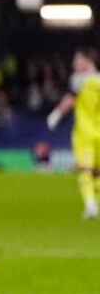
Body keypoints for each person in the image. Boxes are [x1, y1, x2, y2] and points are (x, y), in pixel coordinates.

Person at [45, 48, 100, 220]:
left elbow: (70, 99)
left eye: (77, 60)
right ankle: (93, 204)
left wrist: (56, 114)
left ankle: (91, 206)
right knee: (96, 172)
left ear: (87, 60)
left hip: (84, 133)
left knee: (85, 169)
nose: (74, 63)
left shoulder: (78, 80)